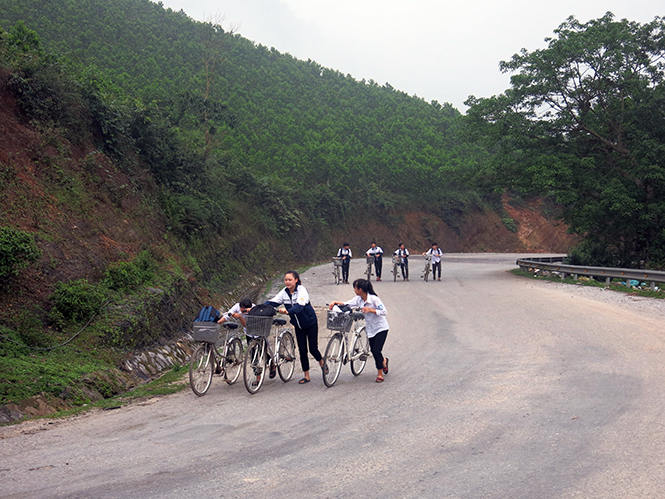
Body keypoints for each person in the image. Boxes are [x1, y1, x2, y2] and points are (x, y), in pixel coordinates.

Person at [265, 270, 323, 384]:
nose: (287, 282)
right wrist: (259, 307)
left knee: (313, 349)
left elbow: (299, 306)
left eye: (290, 280)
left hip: (310, 323)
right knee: (302, 350)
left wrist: (287, 311)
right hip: (298, 325)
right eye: (286, 280)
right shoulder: (284, 292)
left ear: (296, 280)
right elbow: (273, 302)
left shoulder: (302, 290)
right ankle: (306, 375)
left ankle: (321, 362)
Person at [328, 279, 389, 383]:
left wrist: (371, 310)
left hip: (381, 328)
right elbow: (348, 304)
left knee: (375, 351)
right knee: (375, 350)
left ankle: (380, 373)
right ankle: (383, 361)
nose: (354, 289)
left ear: (360, 289)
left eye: (355, 287)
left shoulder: (374, 299)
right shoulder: (358, 299)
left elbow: (384, 311)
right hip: (370, 329)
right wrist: (335, 302)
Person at [218, 297, 276, 379]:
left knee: (262, 352)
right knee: (252, 354)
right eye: (243, 310)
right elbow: (228, 315)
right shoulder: (237, 307)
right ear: (240, 307)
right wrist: (218, 322)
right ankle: (257, 377)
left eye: (246, 310)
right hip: (249, 333)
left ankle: (272, 364)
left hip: (259, 332)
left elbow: (247, 325)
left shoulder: (255, 309)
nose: (244, 311)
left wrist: (241, 316)